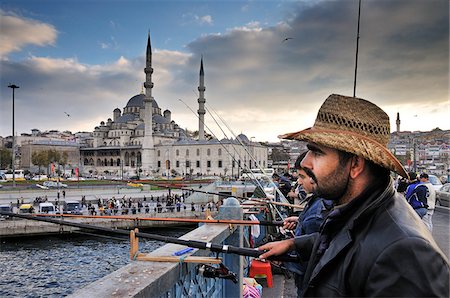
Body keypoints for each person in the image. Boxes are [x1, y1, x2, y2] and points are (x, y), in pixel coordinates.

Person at [258, 94, 449, 297]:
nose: (305, 162)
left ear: (355, 165)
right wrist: (293, 243)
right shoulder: (359, 210)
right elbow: (345, 243)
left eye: (317, 152)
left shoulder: (405, 253)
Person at [282, 152, 333, 295]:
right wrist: (300, 222)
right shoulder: (323, 201)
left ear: (315, 177)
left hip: (309, 281)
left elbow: (314, 250)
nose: (299, 181)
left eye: (302, 176)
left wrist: (286, 249)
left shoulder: (317, 213)